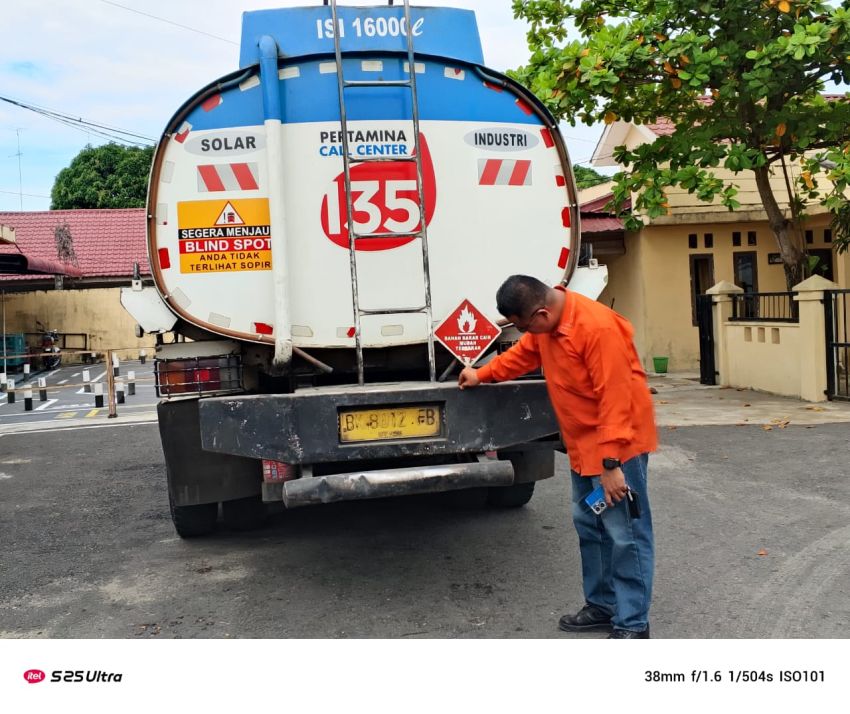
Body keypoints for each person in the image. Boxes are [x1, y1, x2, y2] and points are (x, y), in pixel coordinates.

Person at [458, 275, 658, 639]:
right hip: (584, 443)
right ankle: (603, 604)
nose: (524, 333)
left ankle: (633, 623)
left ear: (539, 312)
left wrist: (611, 465)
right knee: (590, 523)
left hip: (619, 446)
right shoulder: (546, 327)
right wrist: (482, 375)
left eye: (522, 325)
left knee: (625, 532)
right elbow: (522, 354)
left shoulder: (597, 329)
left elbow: (617, 400)